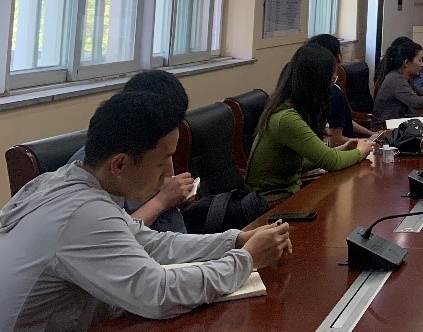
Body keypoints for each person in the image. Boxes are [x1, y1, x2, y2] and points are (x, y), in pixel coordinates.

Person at [0, 91, 291, 332]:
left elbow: (148, 241)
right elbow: (159, 294)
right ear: (120, 164)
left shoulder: (63, 180)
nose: (169, 173)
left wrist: (235, 241)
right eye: (162, 161)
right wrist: (246, 260)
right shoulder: (84, 213)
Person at [245, 43, 377, 203]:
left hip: (287, 191)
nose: (331, 87)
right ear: (316, 83)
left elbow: (302, 161)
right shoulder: (286, 118)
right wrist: (360, 152)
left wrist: (341, 149)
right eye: (331, 80)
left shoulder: (288, 107)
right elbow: (331, 162)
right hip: (270, 201)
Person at [68, 69, 194, 233]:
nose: (168, 172)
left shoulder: (155, 148)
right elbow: (111, 234)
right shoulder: (95, 169)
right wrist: (162, 201)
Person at [306, 34, 378, 147]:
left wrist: (371, 134)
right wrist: (364, 143)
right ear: (339, 57)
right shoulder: (334, 93)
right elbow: (335, 140)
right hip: (345, 151)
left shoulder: (312, 87)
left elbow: (344, 120)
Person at [372, 36, 423, 127]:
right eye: (419, 60)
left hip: (397, 123)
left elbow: (420, 93)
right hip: (383, 128)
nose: (422, 64)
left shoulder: (406, 78)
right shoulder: (395, 80)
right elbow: (417, 102)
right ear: (407, 63)